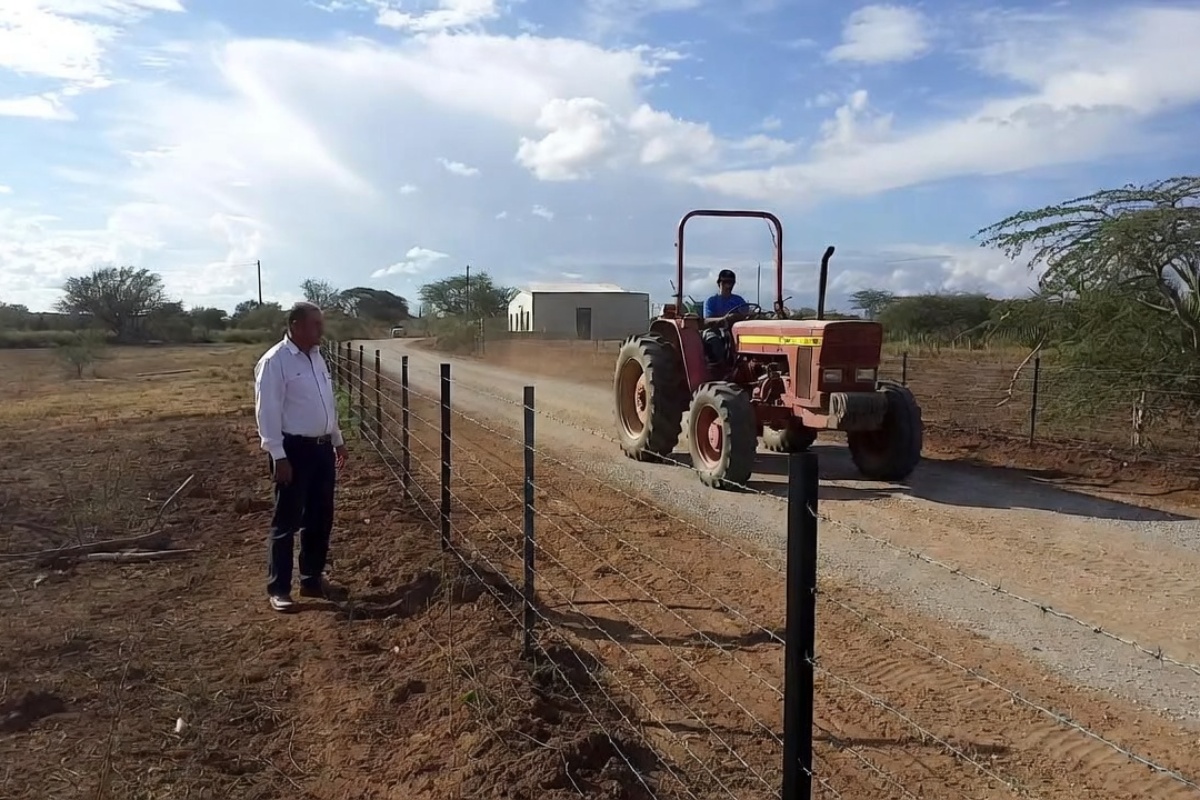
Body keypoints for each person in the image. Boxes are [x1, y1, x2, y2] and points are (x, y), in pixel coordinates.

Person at [254, 301, 349, 613]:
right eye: (314, 324)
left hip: (322, 448)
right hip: (293, 451)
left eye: (321, 324)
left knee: (321, 518)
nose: (321, 330)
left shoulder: (317, 357)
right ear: (295, 325)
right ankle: (279, 589)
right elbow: (267, 412)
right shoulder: (275, 362)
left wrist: (337, 439)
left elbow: (326, 403)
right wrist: (278, 455)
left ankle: (311, 580)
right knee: (287, 521)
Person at [701, 269, 748, 365]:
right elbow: (707, 320)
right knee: (713, 339)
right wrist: (725, 319)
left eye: (731, 282)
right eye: (725, 282)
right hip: (716, 329)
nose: (728, 285)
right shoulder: (712, 301)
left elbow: (746, 314)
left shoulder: (738, 300)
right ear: (719, 283)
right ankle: (717, 366)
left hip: (736, 329)